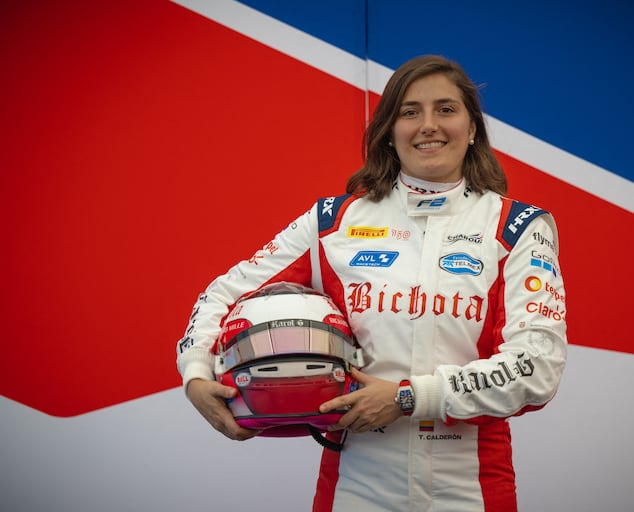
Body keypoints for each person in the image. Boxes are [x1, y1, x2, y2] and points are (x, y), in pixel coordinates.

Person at [176, 54, 567, 512]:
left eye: (446, 109)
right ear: (389, 129)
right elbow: (224, 293)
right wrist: (197, 375)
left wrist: (409, 398)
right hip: (355, 488)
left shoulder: (518, 227)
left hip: (472, 489)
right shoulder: (333, 223)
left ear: (472, 127)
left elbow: (537, 367)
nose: (428, 125)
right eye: (409, 111)